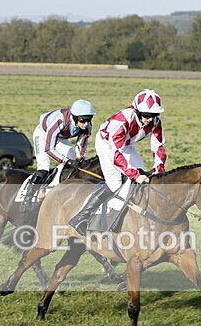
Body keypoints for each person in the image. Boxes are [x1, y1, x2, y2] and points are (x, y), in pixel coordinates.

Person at [69, 89, 167, 235]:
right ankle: (81, 217)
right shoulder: (120, 122)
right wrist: (134, 175)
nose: (149, 119)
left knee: (146, 178)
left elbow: (158, 147)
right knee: (115, 183)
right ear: (137, 111)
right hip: (107, 145)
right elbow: (116, 155)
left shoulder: (155, 122)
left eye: (153, 115)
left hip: (126, 144)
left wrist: (159, 169)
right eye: (146, 115)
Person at [31, 99, 96, 186]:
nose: (86, 124)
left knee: (75, 161)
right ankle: (28, 191)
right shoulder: (60, 121)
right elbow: (49, 149)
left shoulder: (87, 126)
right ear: (75, 117)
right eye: (83, 120)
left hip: (60, 137)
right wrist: (67, 161)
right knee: (43, 168)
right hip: (43, 134)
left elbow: (81, 145)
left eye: (89, 120)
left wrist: (80, 158)